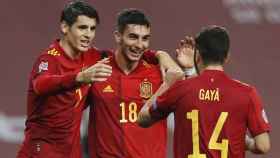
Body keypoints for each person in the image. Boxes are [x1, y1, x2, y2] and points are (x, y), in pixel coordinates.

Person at [137, 26, 271, 158]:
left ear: (198, 55)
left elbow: (143, 118)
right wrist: (246, 142)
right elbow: (263, 146)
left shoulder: (180, 89)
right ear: (226, 57)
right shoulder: (246, 93)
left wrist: (167, 83)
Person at [17, 1, 113, 158]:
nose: (88, 34)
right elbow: (40, 85)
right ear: (65, 27)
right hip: (41, 150)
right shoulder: (49, 59)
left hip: (71, 152)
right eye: (82, 28)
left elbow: (124, 57)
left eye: (92, 28)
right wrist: (79, 78)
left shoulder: (92, 56)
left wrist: (158, 56)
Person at [86, 9, 183, 158]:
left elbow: (190, 101)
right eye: (133, 37)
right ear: (118, 36)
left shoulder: (159, 74)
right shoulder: (97, 71)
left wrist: (187, 69)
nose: (139, 45)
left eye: (145, 38)